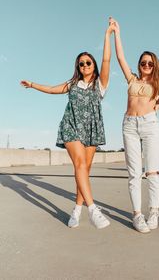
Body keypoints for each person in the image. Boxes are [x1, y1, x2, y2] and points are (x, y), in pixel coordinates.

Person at [20, 19, 114, 229]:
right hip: (71, 126)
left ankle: (77, 209)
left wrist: (108, 35)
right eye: (81, 64)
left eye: (88, 63)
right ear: (78, 67)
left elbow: (107, 60)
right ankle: (93, 210)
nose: (85, 66)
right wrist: (33, 85)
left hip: (91, 128)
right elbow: (53, 89)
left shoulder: (100, 85)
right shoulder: (72, 84)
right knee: (79, 165)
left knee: (84, 170)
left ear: (93, 65)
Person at [110, 18, 159, 233]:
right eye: (143, 63)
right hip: (129, 125)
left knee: (152, 172)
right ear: (139, 64)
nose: (147, 66)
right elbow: (120, 57)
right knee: (134, 173)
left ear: (155, 65)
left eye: (150, 63)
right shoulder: (132, 80)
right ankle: (137, 215)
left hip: (150, 125)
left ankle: (153, 211)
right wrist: (116, 33)